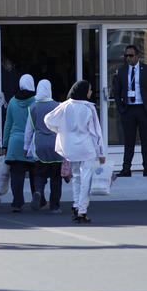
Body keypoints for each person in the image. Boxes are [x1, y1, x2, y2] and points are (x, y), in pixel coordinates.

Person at [45, 80, 106, 223]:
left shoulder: (64, 106)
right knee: (86, 180)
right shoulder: (88, 108)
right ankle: (82, 210)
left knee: (76, 178)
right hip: (86, 148)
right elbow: (96, 132)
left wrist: (60, 130)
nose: (91, 93)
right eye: (90, 90)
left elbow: (48, 120)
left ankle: (76, 206)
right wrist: (101, 152)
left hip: (70, 148)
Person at [110, 44, 147, 177]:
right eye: (126, 56)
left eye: (131, 56)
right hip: (128, 110)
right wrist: (121, 108)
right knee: (129, 141)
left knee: (145, 140)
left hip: (144, 110)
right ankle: (126, 169)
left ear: (137, 56)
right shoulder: (121, 71)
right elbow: (116, 92)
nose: (128, 58)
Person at [24, 79, 64, 213]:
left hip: (39, 144)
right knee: (56, 177)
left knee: (39, 174)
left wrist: (26, 147)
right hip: (55, 145)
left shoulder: (33, 107)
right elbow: (63, 127)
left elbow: (29, 130)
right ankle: (55, 206)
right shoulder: (58, 105)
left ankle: (39, 192)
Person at [1, 74, 37, 212]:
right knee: (35, 174)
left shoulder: (12, 102)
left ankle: (17, 202)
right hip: (32, 143)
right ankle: (36, 197)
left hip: (15, 143)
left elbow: (8, 124)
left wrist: (5, 145)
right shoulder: (34, 101)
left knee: (16, 175)